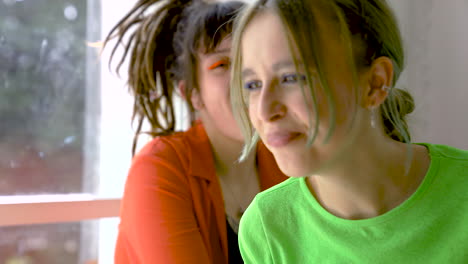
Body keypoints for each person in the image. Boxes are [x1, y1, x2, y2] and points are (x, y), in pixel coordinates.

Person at [229, 0, 468, 263]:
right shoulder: (266, 227)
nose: (264, 111)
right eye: (252, 84)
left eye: (291, 77)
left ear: (375, 84)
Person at [103, 0, 287, 263]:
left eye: (254, 58)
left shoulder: (285, 160)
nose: (244, 77)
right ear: (192, 94)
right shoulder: (159, 168)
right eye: (222, 64)